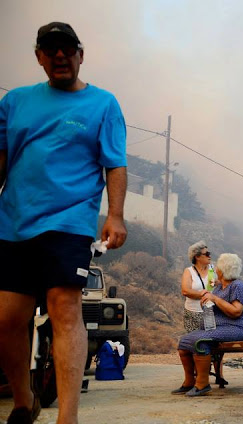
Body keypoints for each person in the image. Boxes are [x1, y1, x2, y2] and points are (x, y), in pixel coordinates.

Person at [0, 22, 127, 424]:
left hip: (69, 221)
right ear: (39, 56)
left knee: (65, 307)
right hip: (14, 222)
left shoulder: (103, 104)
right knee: (6, 319)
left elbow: (115, 163)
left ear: (80, 54)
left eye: (67, 49)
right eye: (50, 49)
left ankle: (67, 417)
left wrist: (116, 215)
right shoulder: (15, 102)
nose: (59, 56)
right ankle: (24, 401)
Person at [172, 253, 243, 397]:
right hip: (219, 327)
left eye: (218, 267)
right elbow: (215, 303)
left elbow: (236, 312)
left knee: (201, 341)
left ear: (223, 270)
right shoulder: (220, 286)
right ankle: (189, 382)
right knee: (184, 342)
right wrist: (208, 301)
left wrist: (214, 299)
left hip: (237, 328)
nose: (215, 269)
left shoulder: (237, 286)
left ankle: (202, 384)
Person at [181, 241, 214, 332]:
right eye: (206, 254)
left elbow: (220, 285)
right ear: (197, 256)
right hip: (193, 314)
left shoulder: (213, 269)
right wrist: (204, 295)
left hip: (210, 312)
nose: (209, 256)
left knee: (209, 339)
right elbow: (185, 291)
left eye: (209, 253)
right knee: (194, 342)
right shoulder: (189, 271)